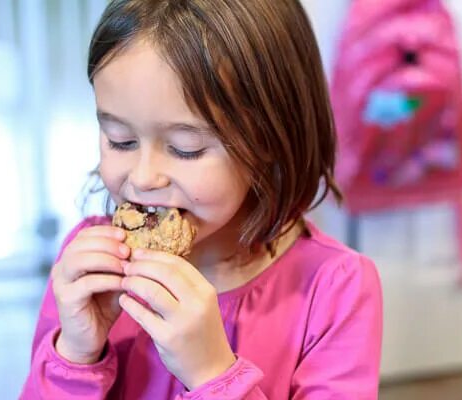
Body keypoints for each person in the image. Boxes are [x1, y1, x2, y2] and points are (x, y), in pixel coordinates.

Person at [20, 0, 382, 398]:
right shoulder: (90, 265)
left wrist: (213, 374)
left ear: (270, 140)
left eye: (185, 148)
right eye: (120, 140)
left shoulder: (334, 289)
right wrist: (74, 355)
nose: (142, 178)